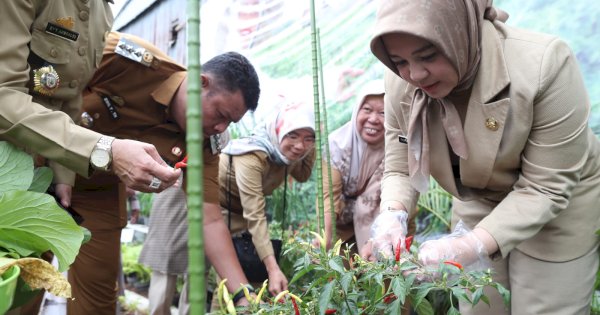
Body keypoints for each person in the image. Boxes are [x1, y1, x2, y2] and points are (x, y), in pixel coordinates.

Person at [366, 0, 600, 314]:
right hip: (478, 195)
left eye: (428, 55)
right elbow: (399, 166)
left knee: (546, 306)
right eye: (399, 60)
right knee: (480, 305)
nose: (416, 74)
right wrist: (392, 216)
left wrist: (469, 245)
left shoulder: (545, 66)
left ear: (460, 32)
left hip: (558, 205)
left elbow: (546, 188)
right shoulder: (400, 82)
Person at [66, 32, 260, 314]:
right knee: (18, 279)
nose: (222, 128)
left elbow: (209, 220)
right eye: (221, 114)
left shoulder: (205, 141)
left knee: (96, 303)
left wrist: (244, 294)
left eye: (230, 122)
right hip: (38, 167)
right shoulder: (127, 59)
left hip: (97, 192)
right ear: (200, 83)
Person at [0, 1, 181, 204]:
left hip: (28, 170)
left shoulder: (101, 11)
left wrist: (63, 174)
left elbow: (69, 94)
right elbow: (4, 96)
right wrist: (103, 149)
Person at [219, 102, 316, 296]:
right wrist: (273, 269)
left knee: (248, 280)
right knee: (229, 282)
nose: (299, 145)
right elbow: (255, 213)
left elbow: (303, 175)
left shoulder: (285, 154)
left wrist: (309, 146)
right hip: (217, 211)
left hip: (245, 214)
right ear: (278, 131)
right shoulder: (251, 156)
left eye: (308, 138)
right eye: (292, 135)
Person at [315, 81, 386, 256]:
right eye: (367, 110)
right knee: (341, 277)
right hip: (341, 226)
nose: (374, 119)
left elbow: (395, 198)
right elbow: (328, 197)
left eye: (383, 113)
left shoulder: (397, 148)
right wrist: (325, 239)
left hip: (381, 228)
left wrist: (380, 241)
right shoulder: (337, 146)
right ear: (357, 111)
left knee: (382, 274)